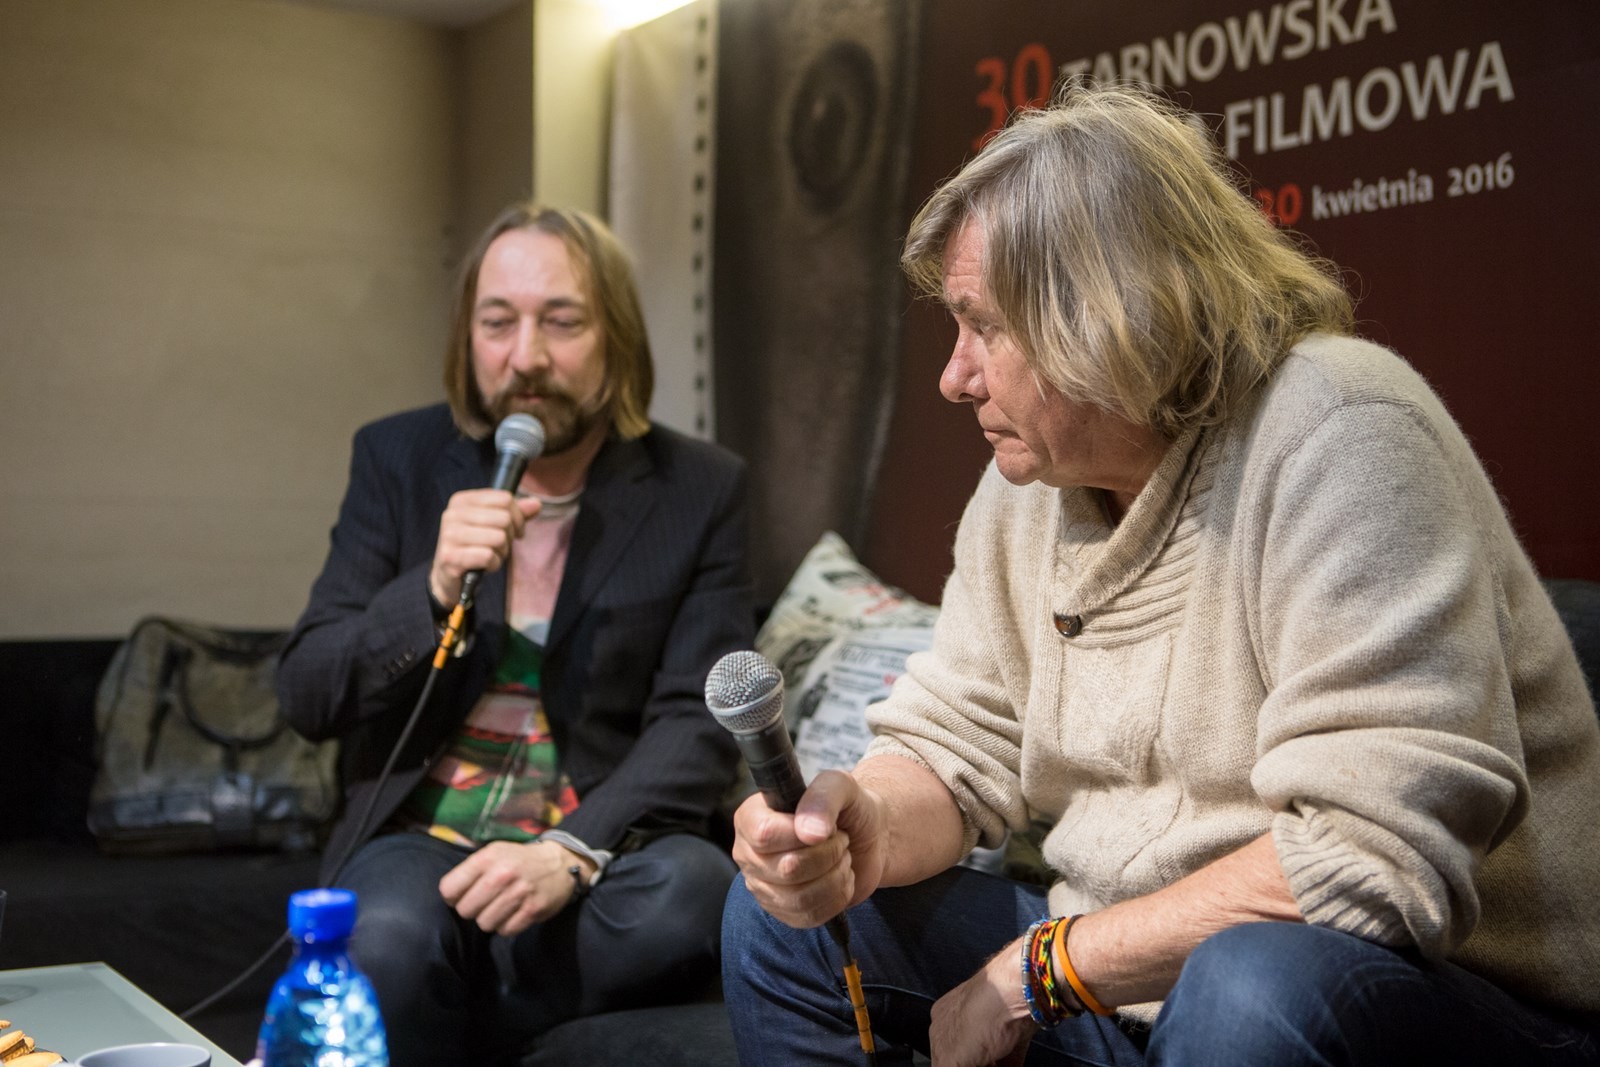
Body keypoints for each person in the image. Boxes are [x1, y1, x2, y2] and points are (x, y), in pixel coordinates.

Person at [721, 83, 1600, 1066]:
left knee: (1248, 986)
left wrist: (1040, 969)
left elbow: (1372, 863)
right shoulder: (1024, 487)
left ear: (1110, 316)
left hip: (1443, 993)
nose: (954, 376)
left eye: (986, 327)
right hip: (1125, 979)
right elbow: (958, 739)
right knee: (782, 921)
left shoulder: (1345, 430)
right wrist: (860, 829)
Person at [277, 204, 753, 1065]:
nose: (526, 356)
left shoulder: (700, 487)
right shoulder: (397, 458)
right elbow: (308, 691)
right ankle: (465, 988)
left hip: (592, 856)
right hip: (420, 846)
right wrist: (430, 589)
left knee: (695, 892)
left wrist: (569, 849)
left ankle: (453, 995)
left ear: (615, 336)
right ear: (469, 337)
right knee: (389, 936)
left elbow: (695, 720)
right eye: (498, 322)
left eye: (561, 322)